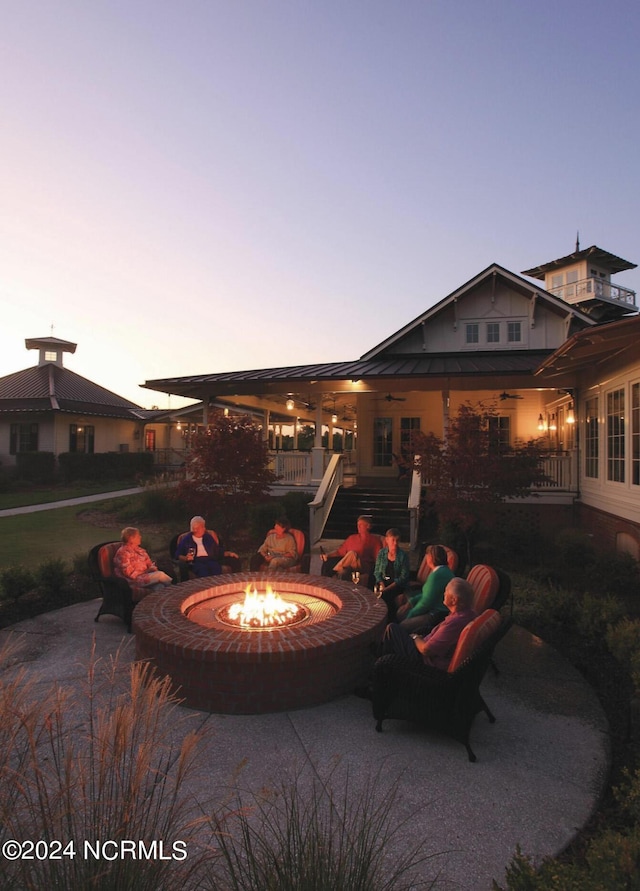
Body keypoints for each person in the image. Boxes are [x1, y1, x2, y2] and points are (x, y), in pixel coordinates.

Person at [381, 578, 476, 670]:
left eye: (446, 591)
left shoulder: (455, 622)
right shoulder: (469, 614)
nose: (444, 593)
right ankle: (384, 659)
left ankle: (383, 665)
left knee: (392, 629)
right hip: (426, 647)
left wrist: (415, 637)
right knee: (395, 633)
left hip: (424, 662)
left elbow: (426, 650)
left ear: (454, 600)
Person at [396, 544, 455, 633]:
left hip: (436, 615)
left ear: (431, 558)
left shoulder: (437, 576)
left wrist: (411, 614)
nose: (426, 558)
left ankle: (402, 642)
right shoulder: (443, 571)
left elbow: (426, 603)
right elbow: (427, 594)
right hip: (432, 609)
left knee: (403, 624)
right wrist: (411, 601)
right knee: (400, 613)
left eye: (427, 555)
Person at [321, 515, 382, 582]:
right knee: (343, 571)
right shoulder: (352, 538)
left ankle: (333, 571)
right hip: (350, 566)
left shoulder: (375, 540)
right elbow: (340, 552)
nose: (358, 527)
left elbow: (378, 559)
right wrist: (327, 555)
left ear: (368, 526)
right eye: (357, 524)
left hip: (364, 565)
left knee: (352, 554)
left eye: (361, 525)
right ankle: (338, 575)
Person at [114, 527, 173, 593]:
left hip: (145, 576)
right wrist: (147, 571)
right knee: (160, 575)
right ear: (131, 538)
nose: (140, 537)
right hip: (133, 580)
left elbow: (149, 563)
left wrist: (152, 568)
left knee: (159, 586)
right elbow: (130, 574)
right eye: (138, 536)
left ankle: (161, 602)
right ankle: (175, 590)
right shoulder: (123, 553)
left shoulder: (140, 550)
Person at [373, 528, 410, 621]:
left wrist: (387, 588)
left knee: (386, 596)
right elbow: (377, 571)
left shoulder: (403, 556)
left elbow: (403, 577)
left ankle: (389, 621)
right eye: (393, 540)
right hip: (383, 582)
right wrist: (381, 584)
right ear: (387, 540)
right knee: (373, 591)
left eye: (397, 541)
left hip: (396, 584)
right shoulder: (382, 553)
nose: (395, 543)